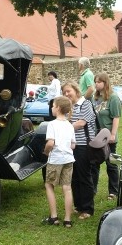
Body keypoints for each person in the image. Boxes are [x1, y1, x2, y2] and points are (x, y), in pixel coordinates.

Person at [62, 81, 98, 220]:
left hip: (84, 146)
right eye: (64, 92)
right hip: (71, 146)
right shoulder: (68, 107)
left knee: (84, 177)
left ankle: (88, 208)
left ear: (76, 90)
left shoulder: (86, 104)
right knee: (74, 177)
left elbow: (81, 123)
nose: (66, 94)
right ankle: (78, 206)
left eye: (68, 91)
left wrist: (63, 128)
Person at [42, 95, 76, 228]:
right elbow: (73, 145)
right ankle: (67, 220)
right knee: (67, 188)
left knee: (49, 185)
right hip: (68, 159)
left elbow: (50, 143)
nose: (51, 107)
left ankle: (54, 216)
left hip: (55, 160)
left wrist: (46, 152)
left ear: (58, 108)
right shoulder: (70, 125)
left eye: (53, 105)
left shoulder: (52, 124)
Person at [93, 72, 122, 199]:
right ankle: (92, 190)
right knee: (94, 164)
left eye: (99, 82)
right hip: (96, 136)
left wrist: (113, 134)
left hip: (108, 135)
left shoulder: (113, 98)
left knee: (111, 164)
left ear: (105, 83)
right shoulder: (96, 98)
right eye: (95, 82)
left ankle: (113, 191)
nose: (96, 84)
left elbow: (116, 117)